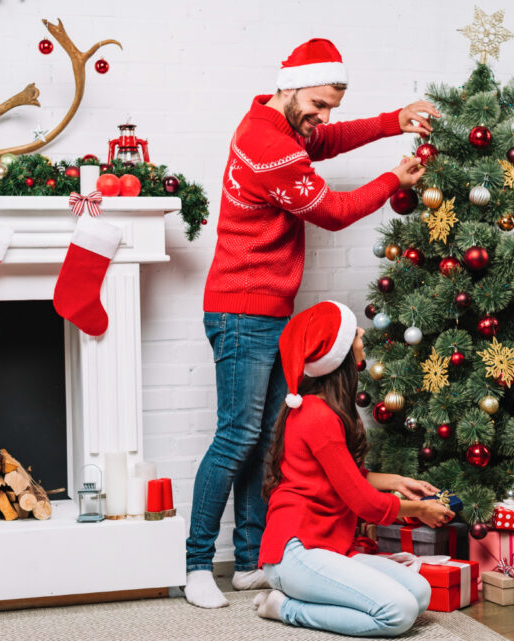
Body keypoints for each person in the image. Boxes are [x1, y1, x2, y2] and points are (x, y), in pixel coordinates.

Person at [185, 37, 440, 608]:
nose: (322, 118)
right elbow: (332, 211)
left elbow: (328, 139)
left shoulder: (281, 123)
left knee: (265, 440)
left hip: (270, 310)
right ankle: (198, 563)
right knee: (237, 437)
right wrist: (394, 180)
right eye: (318, 104)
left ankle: (251, 560)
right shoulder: (266, 143)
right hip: (241, 309)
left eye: (330, 107)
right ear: (291, 84)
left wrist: (393, 121)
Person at [253, 301, 454, 637]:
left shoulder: (322, 408)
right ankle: (285, 607)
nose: (362, 333)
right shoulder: (317, 416)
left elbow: (344, 476)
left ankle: (308, 596)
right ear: (338, 353)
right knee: (398, 613)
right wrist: (420, 510)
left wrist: (399, 482)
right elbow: (365, 504)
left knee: (419, 594)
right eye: (354, 332)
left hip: (327, 545)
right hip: (297, 551)